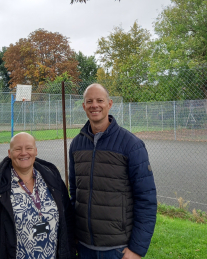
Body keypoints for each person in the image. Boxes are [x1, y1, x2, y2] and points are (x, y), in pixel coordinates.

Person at [68, 84, 157, 259]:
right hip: (83, 246)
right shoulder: (77, 144)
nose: (95, 105)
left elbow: (146, 200)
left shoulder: (131, 145)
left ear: (109, 104)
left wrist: (137, 249)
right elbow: (74, 193)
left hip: (117, 249)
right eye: (89, 101)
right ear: (84, 106)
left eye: (100, 100)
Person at [0, 132, 76, 259]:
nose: (24, 153)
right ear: (9, 153)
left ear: (36, 151)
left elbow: (67, 219)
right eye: (18, 149)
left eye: (29, 148)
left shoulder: (52, 179)